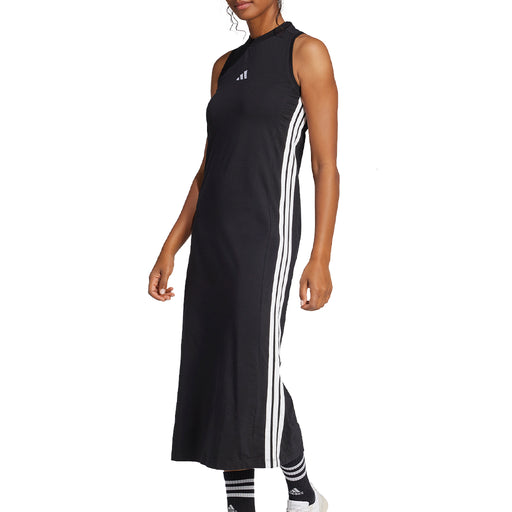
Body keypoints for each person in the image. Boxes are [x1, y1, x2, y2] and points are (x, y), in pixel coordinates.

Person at [148, 1, 339, 510]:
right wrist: (171, 245)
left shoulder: (306, 53)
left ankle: (300, 491)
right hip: (212, 239)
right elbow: (208, 168)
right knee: (219, 365)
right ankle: (242, 504)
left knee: (252, 363)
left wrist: (320, 255)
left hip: (264, 235)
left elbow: (325, 165)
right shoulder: (223, 67)